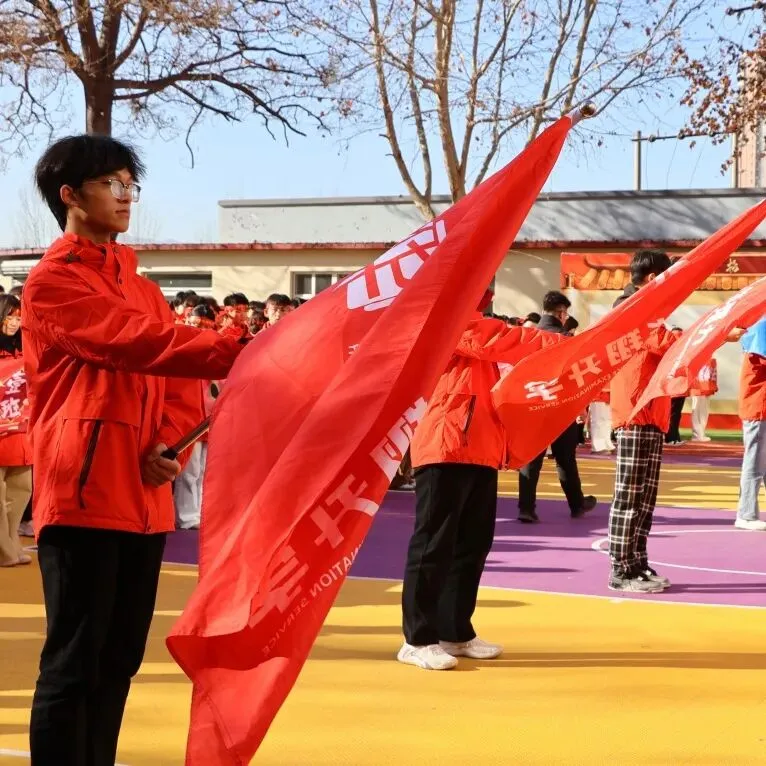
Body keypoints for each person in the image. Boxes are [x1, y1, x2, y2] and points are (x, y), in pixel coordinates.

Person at [24, 134, 244, 766]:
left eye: (130, 185)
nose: (126, 197)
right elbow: (128, 340)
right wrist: (236, 347)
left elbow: (177, 387)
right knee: (75, 660)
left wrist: (169, 447)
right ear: (70, 195)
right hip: (84, 493)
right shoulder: (52, 283)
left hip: (144, 498)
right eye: (112, 184)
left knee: (119, 658)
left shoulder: (143, 289)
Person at [398, 289, 565, 671]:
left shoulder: (473, 321)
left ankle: (455, 631)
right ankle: (417, 639)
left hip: (481, 447)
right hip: (445, 443)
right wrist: (571, 344)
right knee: (433, 544)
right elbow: (505, 340)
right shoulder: (450, 318)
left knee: (472, 544)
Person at [607, 250, 678, 593]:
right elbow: (665, 343)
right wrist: (710, 332)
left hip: (651, 411)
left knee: (645, 498)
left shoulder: (649, 310)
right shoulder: (630, 308)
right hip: (635, 412)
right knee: (629, 496)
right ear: (652, 278)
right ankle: (621, 569)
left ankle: (637, 562)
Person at [518, 291, 596, 523]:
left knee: (531, 458)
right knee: (565, 458)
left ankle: (526, 507)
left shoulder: (528, 337)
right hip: (560, 407)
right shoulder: (565, 339)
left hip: (533, 403)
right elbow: (574, 376)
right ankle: (576, 504)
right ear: (561, 313)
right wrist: (580, 406)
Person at [0, 294, 33, 567]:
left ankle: (12, 542)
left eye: (18, 317)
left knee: (20, 490)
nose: (14, 322)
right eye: (9, 316)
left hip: (20, 431)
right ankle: (4, 551)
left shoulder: (26, 349)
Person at [734, 320, 766, 531]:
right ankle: (746, 514)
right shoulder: (758, 348)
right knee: (754, 462)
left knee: (761, 462)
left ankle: (747, 513)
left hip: (760, 408)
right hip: (758, 409)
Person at [690, 358, 717, 442]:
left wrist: (714, 386)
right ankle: (697, 434)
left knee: (704, 411)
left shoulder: (712, 360)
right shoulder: (696, 358)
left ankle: (701, 433)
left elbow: (714, 374)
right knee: (697, 410)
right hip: (697, 387)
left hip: (707, 387)